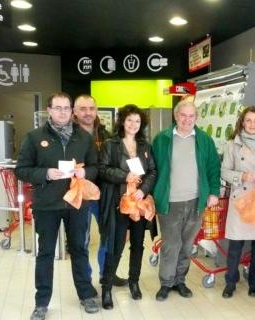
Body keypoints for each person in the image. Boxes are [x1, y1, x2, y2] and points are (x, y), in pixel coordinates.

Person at [15, 92, 100, 320]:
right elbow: (21, 170)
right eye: (58, 108)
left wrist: (86, 172)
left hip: (76, 203)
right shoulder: (34, 137)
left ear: (72, 111)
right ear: (49, 110)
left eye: (66, 108)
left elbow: (95, 166)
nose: (63, 112)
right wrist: (45, 174)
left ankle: (86, 294)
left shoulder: (83, 137)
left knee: (80, 250)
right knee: (45, 253)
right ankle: (41, 302)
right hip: (46, 205)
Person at [152, 99, 221, 301]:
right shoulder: (162, 139)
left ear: (196, 118)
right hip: (169, 202)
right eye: (183, 115)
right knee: (170, 245)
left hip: (196, 202)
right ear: (176, 116)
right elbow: (152, 169)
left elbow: (213, 168)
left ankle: (179, 281)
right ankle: (166, 283)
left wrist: (213, 193)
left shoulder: (204, 140)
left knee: (186, 244)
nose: (187, 119)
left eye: (191, 116)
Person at [98, 104, 158, 309]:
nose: (133, 124)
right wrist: (125, 176)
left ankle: (134, 282)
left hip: (139, 203)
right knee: (115, 244)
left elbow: (152, 172)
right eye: (129, 120)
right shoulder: (111, 144)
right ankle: (106, 287)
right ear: (122, 122)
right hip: (119, 202)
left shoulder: (145, 146)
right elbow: (103, 170)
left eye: (137, 121)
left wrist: (144, 190)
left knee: (138, 244)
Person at [220, 106, 255, 298]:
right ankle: (230, 282)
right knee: (235, 244)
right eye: (248, 120)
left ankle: (254, 283)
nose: (252, 124)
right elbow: (225, 171)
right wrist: (242, 175)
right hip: (241, 198)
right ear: (242, 123)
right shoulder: (232, 144)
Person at [73, 94, 128, 287]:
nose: (87, 113)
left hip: (104, 194)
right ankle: (85, 280)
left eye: (91, 108)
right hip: (79, 194)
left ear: (96, 110)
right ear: (75, 111)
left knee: (108, 235)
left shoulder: (105, 135)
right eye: (82, 109)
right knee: (82, 239)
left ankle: (107, 274)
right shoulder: (69, 135)